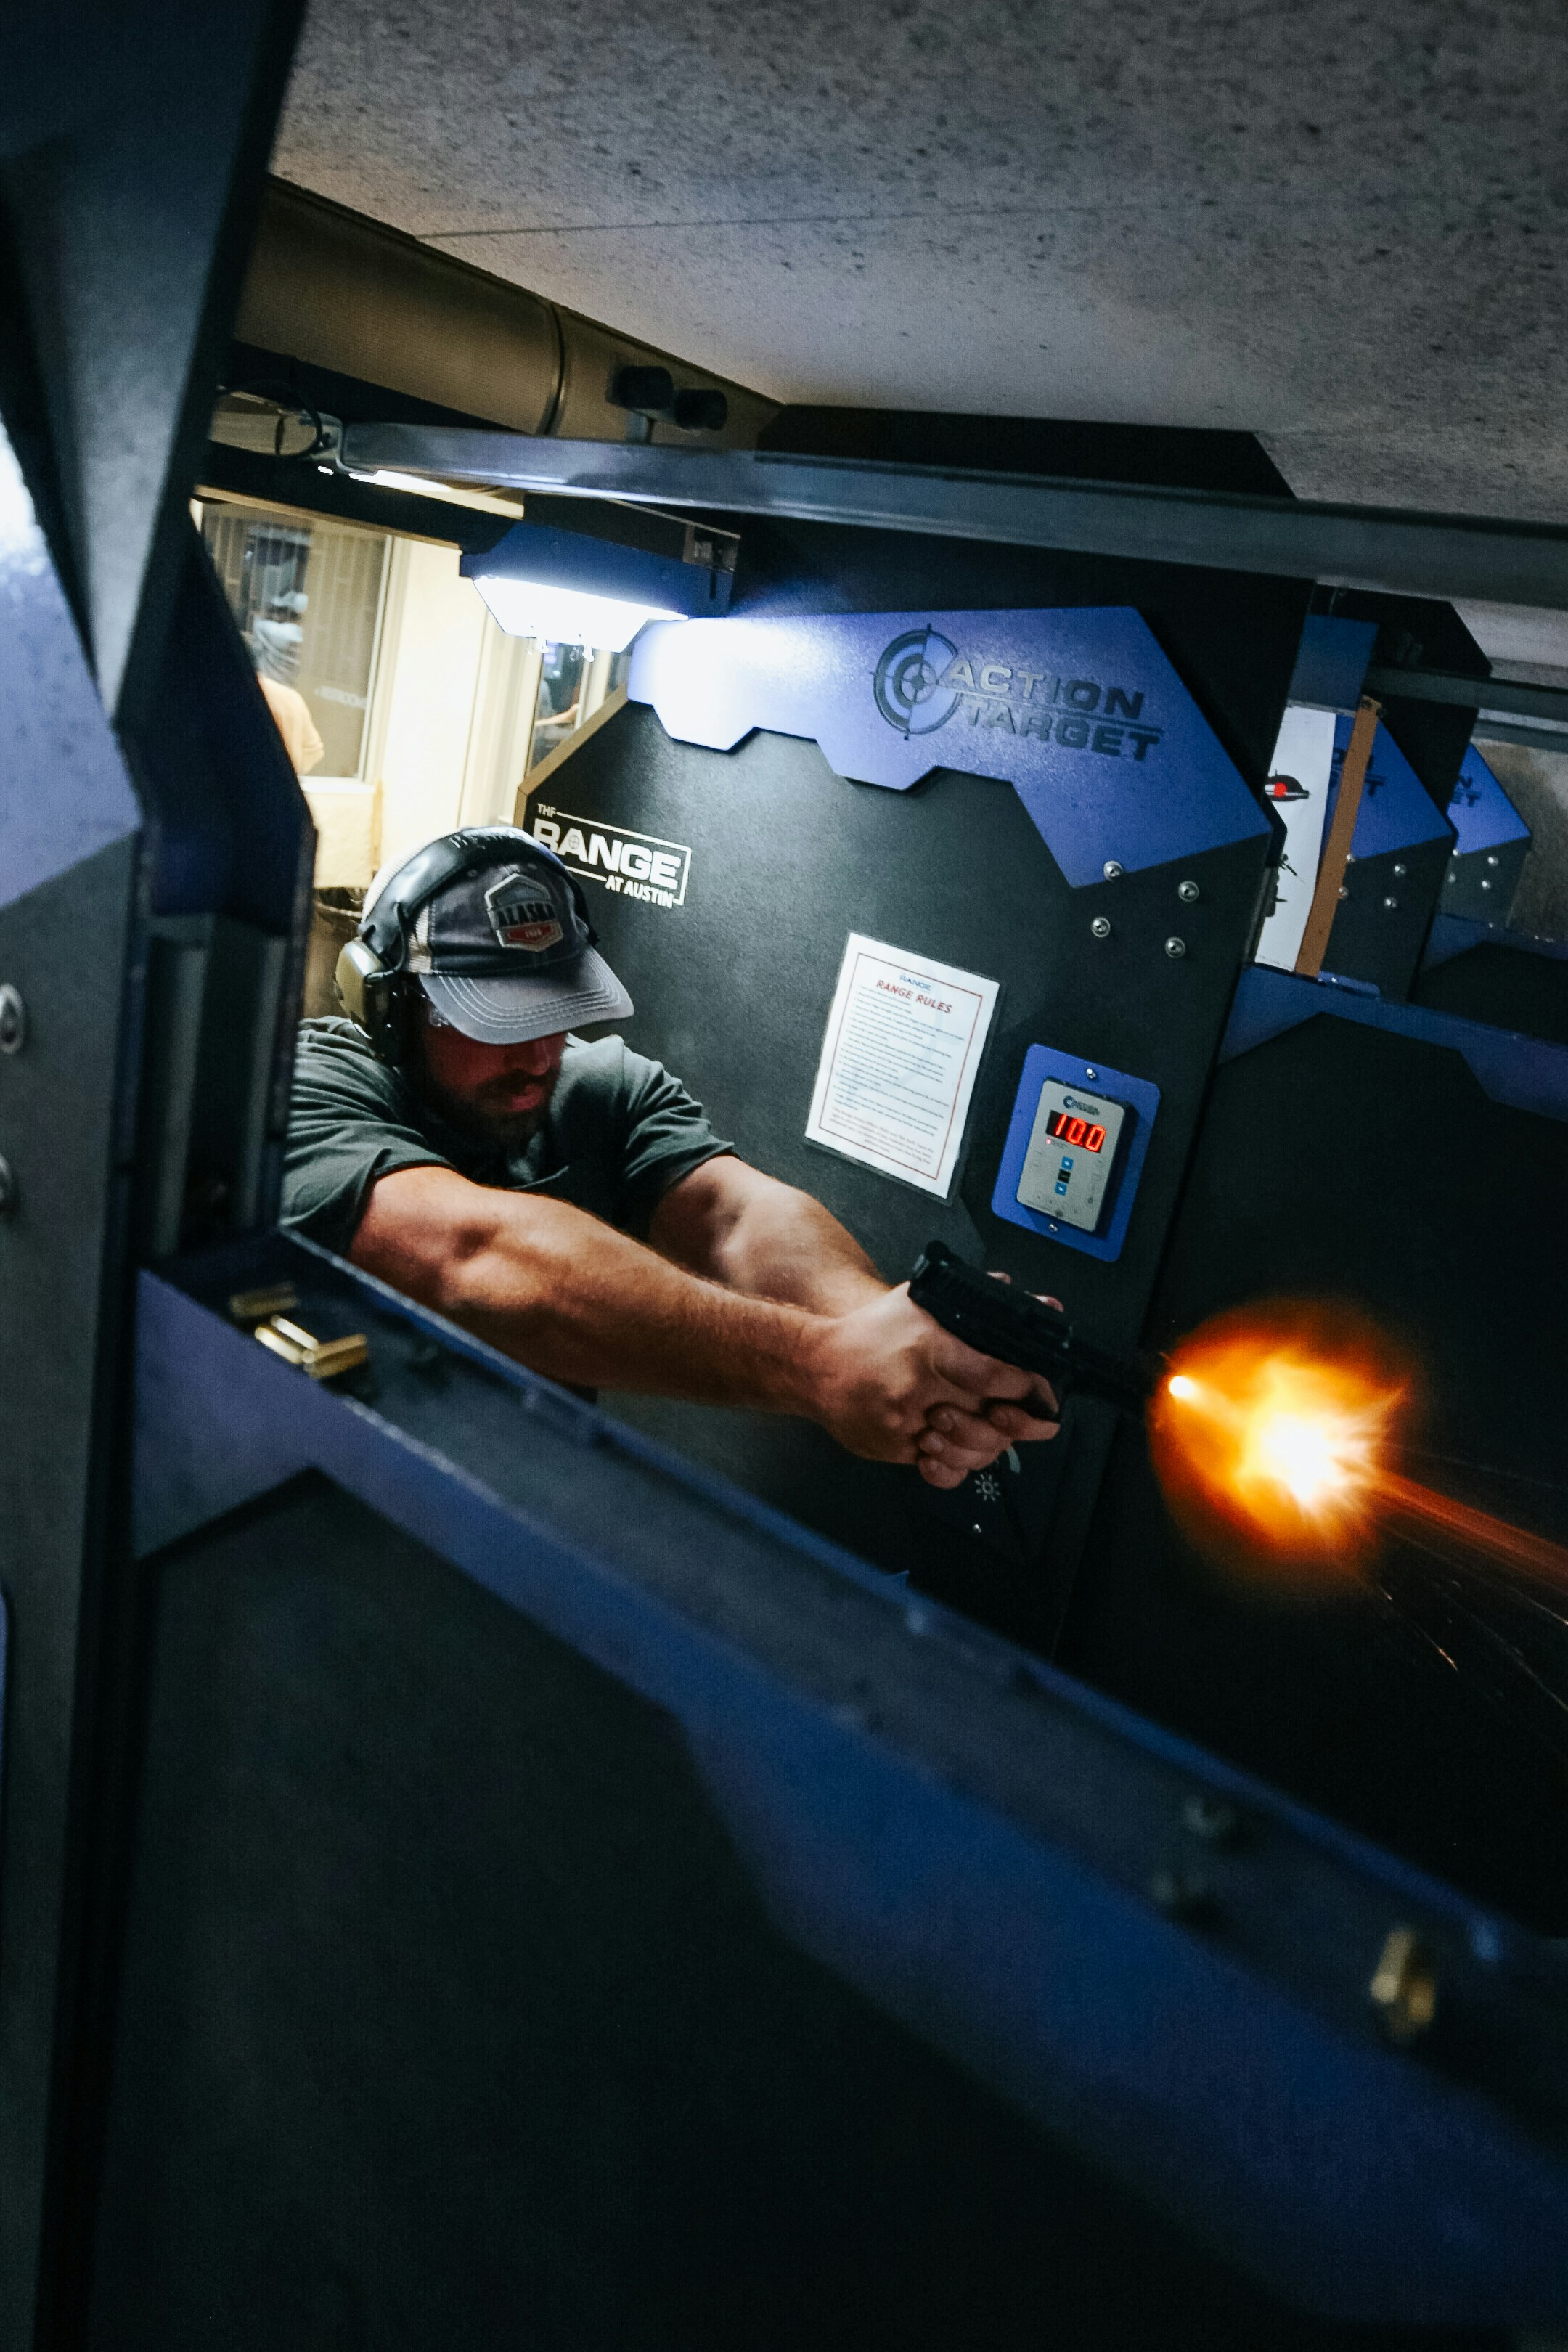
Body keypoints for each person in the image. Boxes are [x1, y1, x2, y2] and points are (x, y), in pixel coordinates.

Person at [282, 827, 1060, 1491]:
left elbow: (736, 1216)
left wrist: (893, 1339)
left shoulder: (600, 1088)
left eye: (555, 1011)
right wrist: (821, 1365)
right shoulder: (307, 1091)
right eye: (496, 1022)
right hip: (321, 1494)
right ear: (387, 1006)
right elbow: (474, 1257)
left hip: (516, 1506)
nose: (539, 1054)